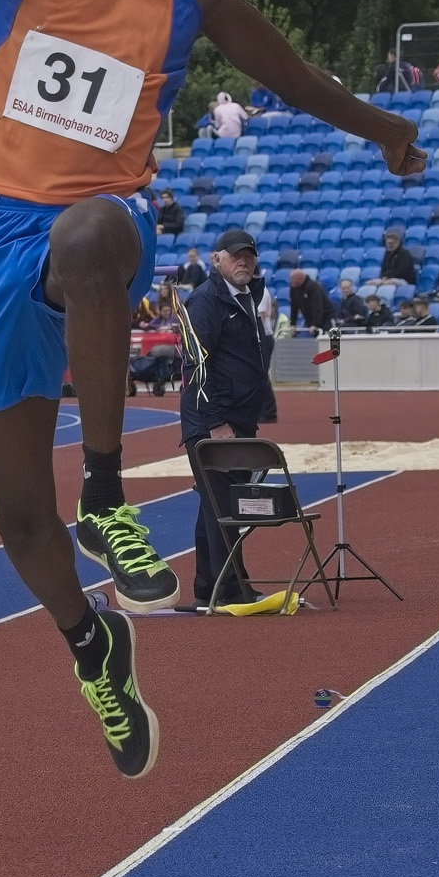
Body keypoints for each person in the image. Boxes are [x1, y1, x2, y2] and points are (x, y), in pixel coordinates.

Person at [0, 0, 424, 779]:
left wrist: (383, 129)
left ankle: (106, 491)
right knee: (18, 515)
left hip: (107, 211)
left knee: (90, 237)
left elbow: (288, 73)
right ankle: (90, 640)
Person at [178, 228, 271, 607]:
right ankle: (231, 589)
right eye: (236, 256)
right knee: (226, 506)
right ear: (218, 259)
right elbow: (195, 364)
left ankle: (209, 586)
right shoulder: (206, 300)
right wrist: (216, 422)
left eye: (249, 255)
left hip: (237, 418)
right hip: (213, 423)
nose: (243, 261)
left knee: (215, 504)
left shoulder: (247, 296)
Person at [288, 268, 336, 335]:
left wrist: (315, 324)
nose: (292, 282)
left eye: (294, 280)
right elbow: (294, 307)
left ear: (301, 279)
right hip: (310, 319)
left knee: (330, 337)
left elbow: (318, 306)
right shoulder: (293, 288)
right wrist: (293, 324)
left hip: (326, 317)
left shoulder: (313, 287)